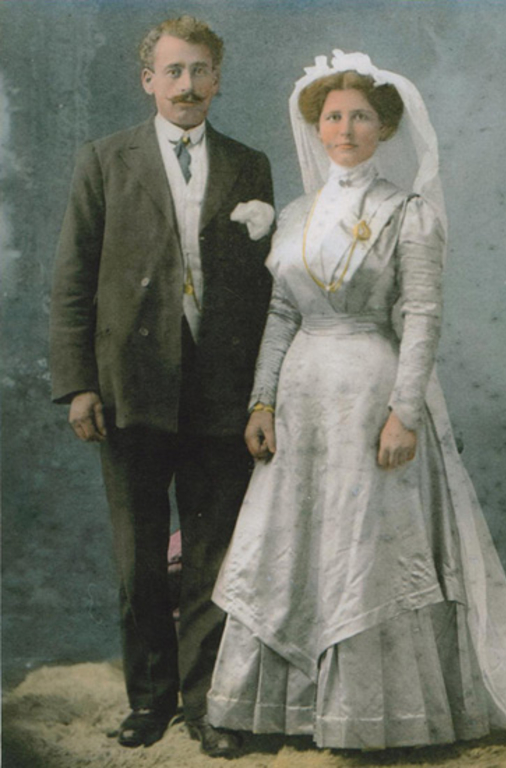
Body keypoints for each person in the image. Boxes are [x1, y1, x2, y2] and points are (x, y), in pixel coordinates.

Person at [206, 51, 506, 754]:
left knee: (364, 548)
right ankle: (283, 711)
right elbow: (280, 313)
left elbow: (422, 314)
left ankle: (377, 718)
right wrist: (261, 401)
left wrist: (403, 411)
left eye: (360, 116)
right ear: (317, 125)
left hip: (371, 396)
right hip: (301, 404)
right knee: (289, 547)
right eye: (332, 116)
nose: (344, 128)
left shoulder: (408, 212)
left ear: (384, 127)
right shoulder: (298, 214)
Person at [49, 14, 274, 758]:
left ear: (218, 79)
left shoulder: (249, 166)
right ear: (148, 80)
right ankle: (148, 701)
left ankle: (208, 704)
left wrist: (262, 395)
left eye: (200, 70)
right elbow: (74, 282)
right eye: (173, 72)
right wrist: (79, 384)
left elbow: (265, 293)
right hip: (130, 391)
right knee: (140, 558)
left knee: (213, 559)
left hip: (219, 395)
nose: (187, 85)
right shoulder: (105, 159)